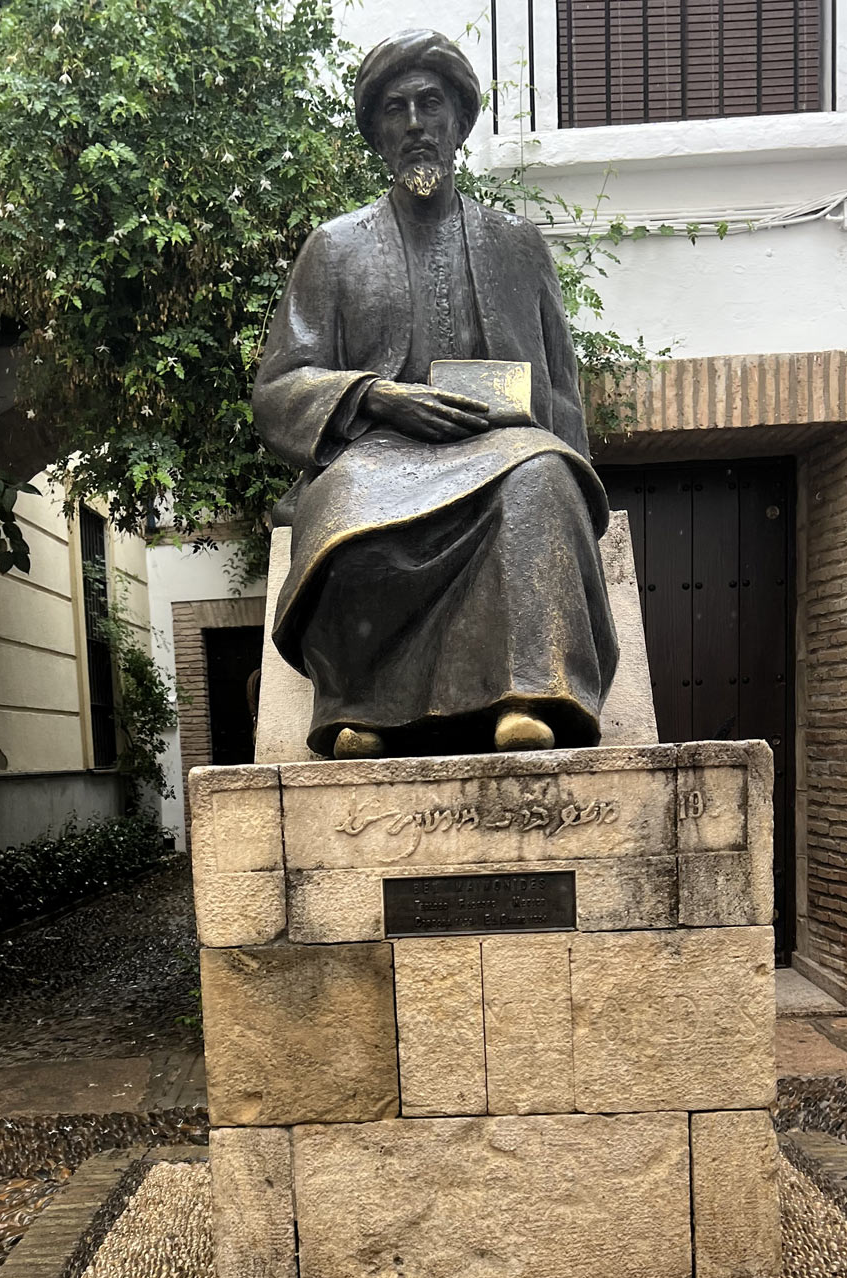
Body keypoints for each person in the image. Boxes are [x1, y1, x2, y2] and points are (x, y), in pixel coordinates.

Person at [252, 30, 619, 760]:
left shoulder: (518, 245)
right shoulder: (334, 247)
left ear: (459, 121)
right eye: (395, 109)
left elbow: (561, 388)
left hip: (502, 445)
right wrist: (379, 398)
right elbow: (279, 386)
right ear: (377, 132)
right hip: (377, 450)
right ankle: (365, 705)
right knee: (347, 506)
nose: (415, 123)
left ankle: (527, 693)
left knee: (541, 479)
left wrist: (574, 476)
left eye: (431, 104)